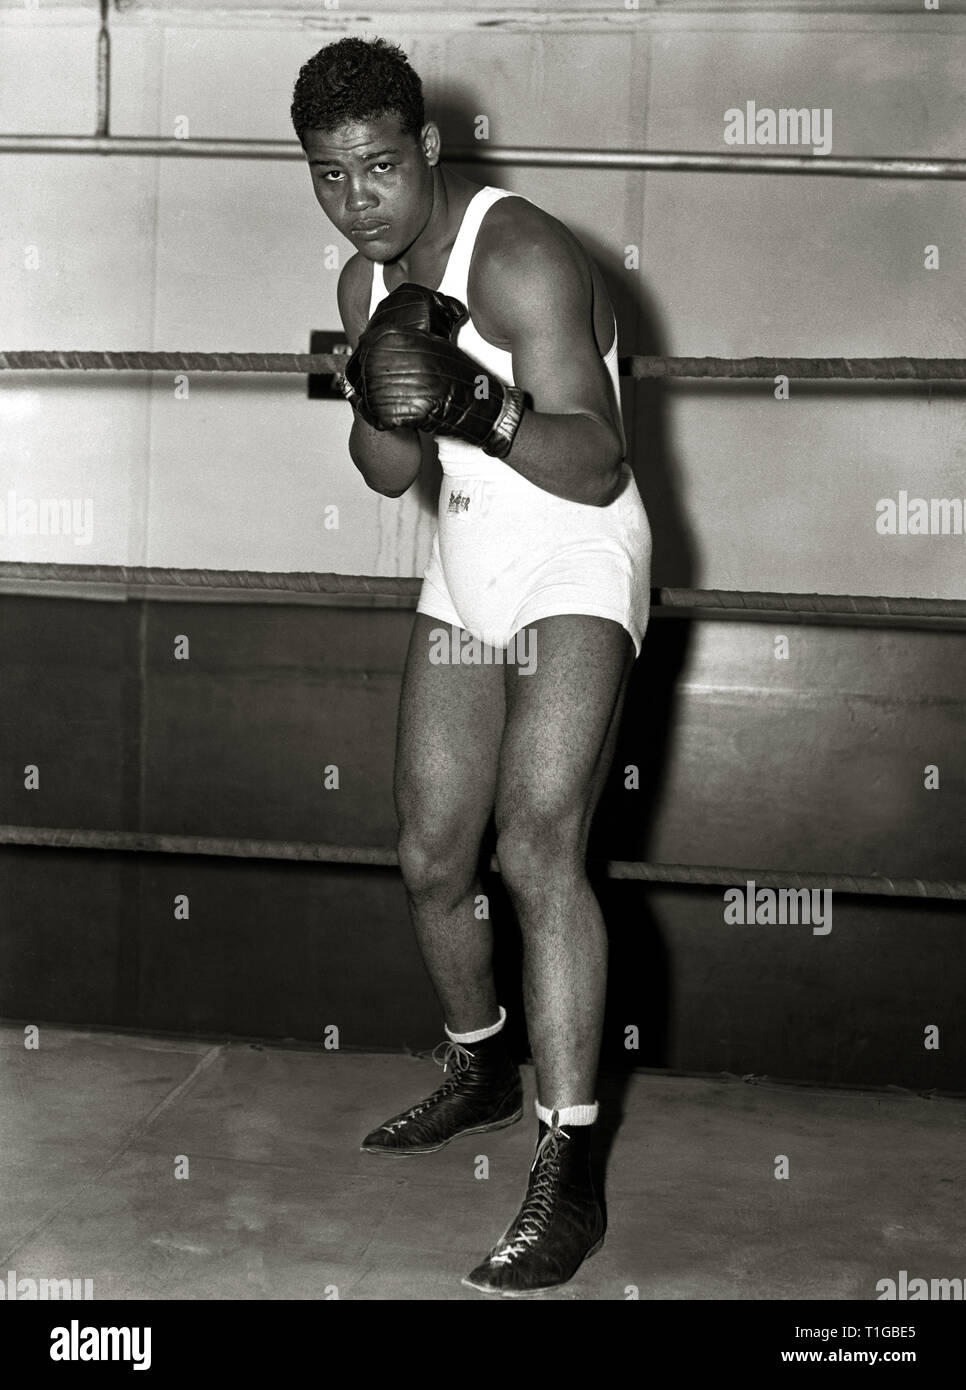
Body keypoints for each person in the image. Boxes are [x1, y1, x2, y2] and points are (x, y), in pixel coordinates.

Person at [291, 36, 651, 1296]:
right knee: (432, 852)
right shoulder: (362, 282)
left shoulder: (523, 256)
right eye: (331, 178)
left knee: (536, 842)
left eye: (379, 169)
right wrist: (384, 383)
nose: (360, 202)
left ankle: (571, 1159)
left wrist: (473, 405)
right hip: (470, 562)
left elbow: (599, 461)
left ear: (429, 151)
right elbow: (393, 476)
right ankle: (481, 1061)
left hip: (575, 555)